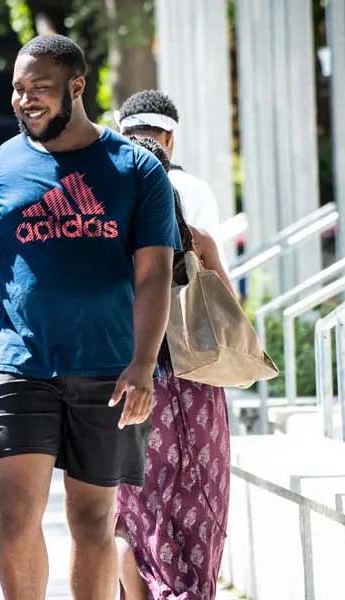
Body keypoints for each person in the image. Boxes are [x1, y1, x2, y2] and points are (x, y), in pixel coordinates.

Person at [0, 34, 178, 600]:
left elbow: (153, 276)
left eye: (39, 89)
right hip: (17, 366)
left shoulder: (137, 169)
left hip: (110, 370)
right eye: (18, 90)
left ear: (77, 86)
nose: (25, 101)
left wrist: (144, 364)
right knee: (17, 518)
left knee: (93, 521)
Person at [115, 136, 232, 600]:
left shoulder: (111, 244)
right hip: (196, 390)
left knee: (132, 511)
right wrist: (211, 258)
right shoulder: (195, 241)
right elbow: (229, 316)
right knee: (198, 505)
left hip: (129, 388)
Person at [117, 90, 222, 237]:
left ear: (122, 137)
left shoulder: (108, 185)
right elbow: (210, 255)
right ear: (170, 138)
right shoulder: (195, 189)